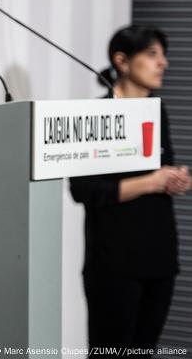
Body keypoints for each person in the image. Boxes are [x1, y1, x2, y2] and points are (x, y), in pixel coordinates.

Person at [70, 25, 189, 355]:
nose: (162, 63)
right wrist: (153, 181)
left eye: (163, 55)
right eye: (152, 54)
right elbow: (84, 191)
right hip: (114, 263)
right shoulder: (94, 113)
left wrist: (174, 179)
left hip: (160, 257)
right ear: (122, 61)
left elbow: (160, 171)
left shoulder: (157, 110)